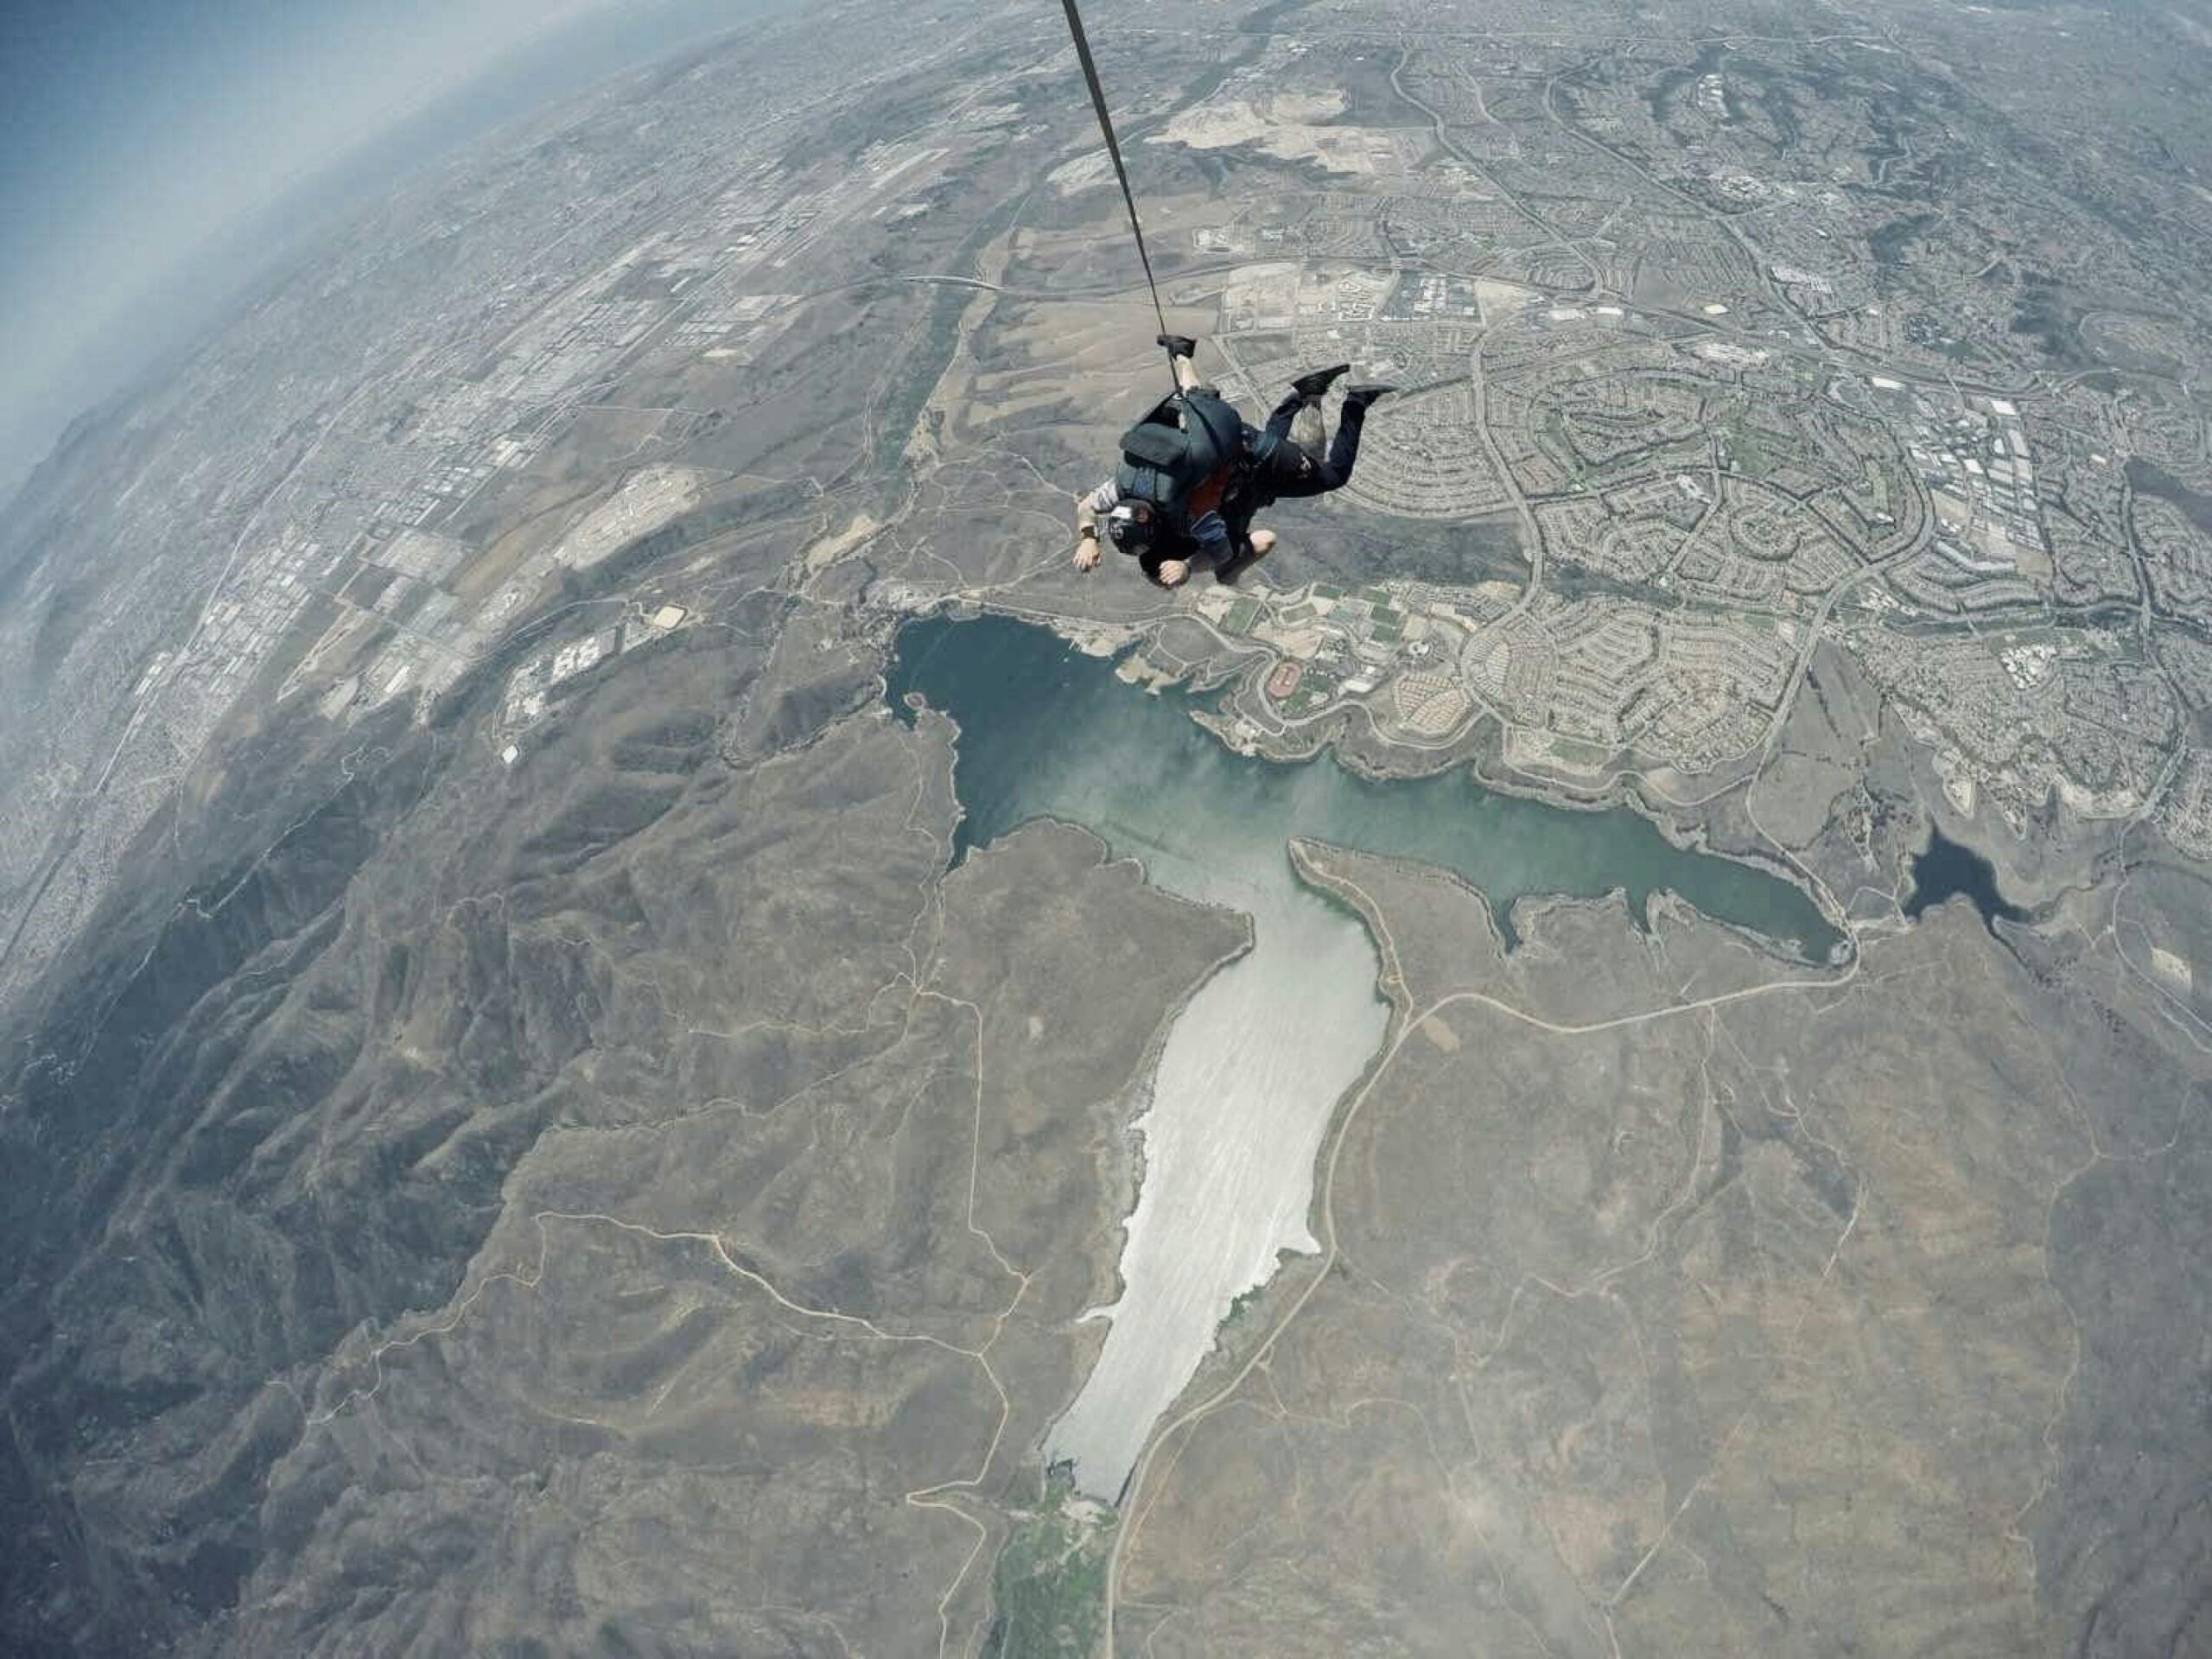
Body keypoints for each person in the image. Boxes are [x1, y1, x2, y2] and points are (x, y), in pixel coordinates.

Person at [1072, 334, 1243, 588]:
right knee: (1191, 393)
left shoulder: (1188, 514)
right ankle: (1183, 355)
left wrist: (1187, 566)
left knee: (1196, 397)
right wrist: (1089, 539)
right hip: (1168, 427)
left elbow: (1222, 552)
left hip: (1210, 434)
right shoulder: (1120, 489)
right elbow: (1086, 506)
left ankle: (1185, 360)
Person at [1214, 364, 1395, 583]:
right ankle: (1307, 394)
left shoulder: (1207, 546)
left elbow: (1257, 547)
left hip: (1249, 482)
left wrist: (1229, 571)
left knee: (1329, 472)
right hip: (1247, 470)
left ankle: (1345, 398)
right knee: (1272, 451)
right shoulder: (1185, 526)